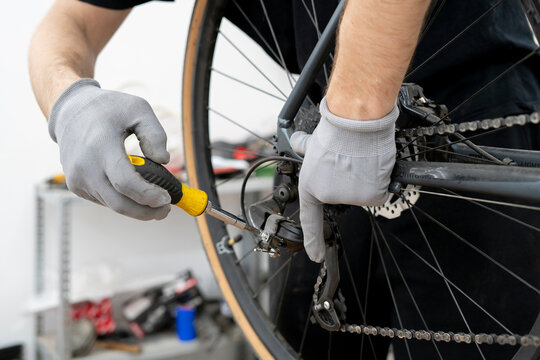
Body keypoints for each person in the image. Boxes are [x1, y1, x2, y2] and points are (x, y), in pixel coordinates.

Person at [30, 0, 539, 359]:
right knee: (306, 332)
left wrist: (356, 115)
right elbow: (68, 21)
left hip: (473, 119)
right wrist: (70, 103)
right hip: (329, 145)